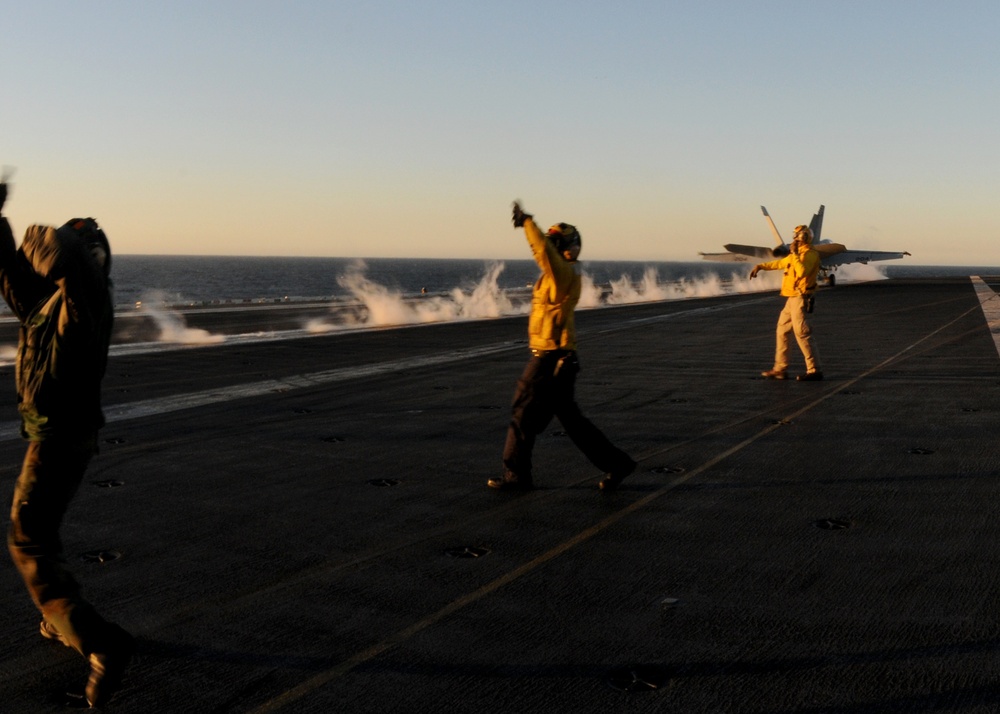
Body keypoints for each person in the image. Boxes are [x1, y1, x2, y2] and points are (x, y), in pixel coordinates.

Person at [0, 181, 134, 707]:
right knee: (43, 533)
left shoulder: (86, 300)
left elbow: (53, 253)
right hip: (59, 434)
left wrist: (41, 235)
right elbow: (13, 276)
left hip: (60, 439)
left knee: (26, 540)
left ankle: (101, 643)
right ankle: (59, 621)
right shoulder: (56, 303)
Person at [490, 201, 636, 492]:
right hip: (560, 358)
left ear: (566, 247)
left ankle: (516, 476)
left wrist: (528, 224)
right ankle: (617, 464)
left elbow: (542, 252)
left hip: (550, 358)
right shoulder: (557, 274)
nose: (552, 246)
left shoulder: (563, 274)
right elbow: (543, 253)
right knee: (571, 421)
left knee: (522, 413)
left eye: (556, 242)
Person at [749, 224, 823, 381]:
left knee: (802, 334)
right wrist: (761, 266)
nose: (794, 239)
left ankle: (814, 370)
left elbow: (802, 271)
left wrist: (795, 254)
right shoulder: (795, 254)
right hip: (791, 299)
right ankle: (780, 369)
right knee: (782, 330)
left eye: (796, 236)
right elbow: (780, 263)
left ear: (803, 237)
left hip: (801, 298)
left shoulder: (809, 254)